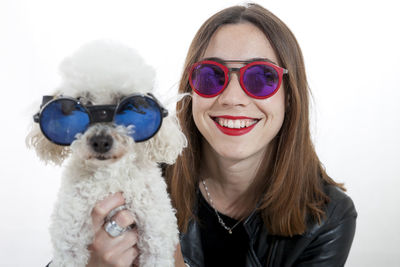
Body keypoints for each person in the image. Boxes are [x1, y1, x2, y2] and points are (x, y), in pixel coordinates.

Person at [87, 3, 357, 267]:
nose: (232, 98)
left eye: (262, 78)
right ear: (190, 92)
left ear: (289, 96)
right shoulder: (134, 178)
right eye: (211, 76)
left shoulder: (329, 216)